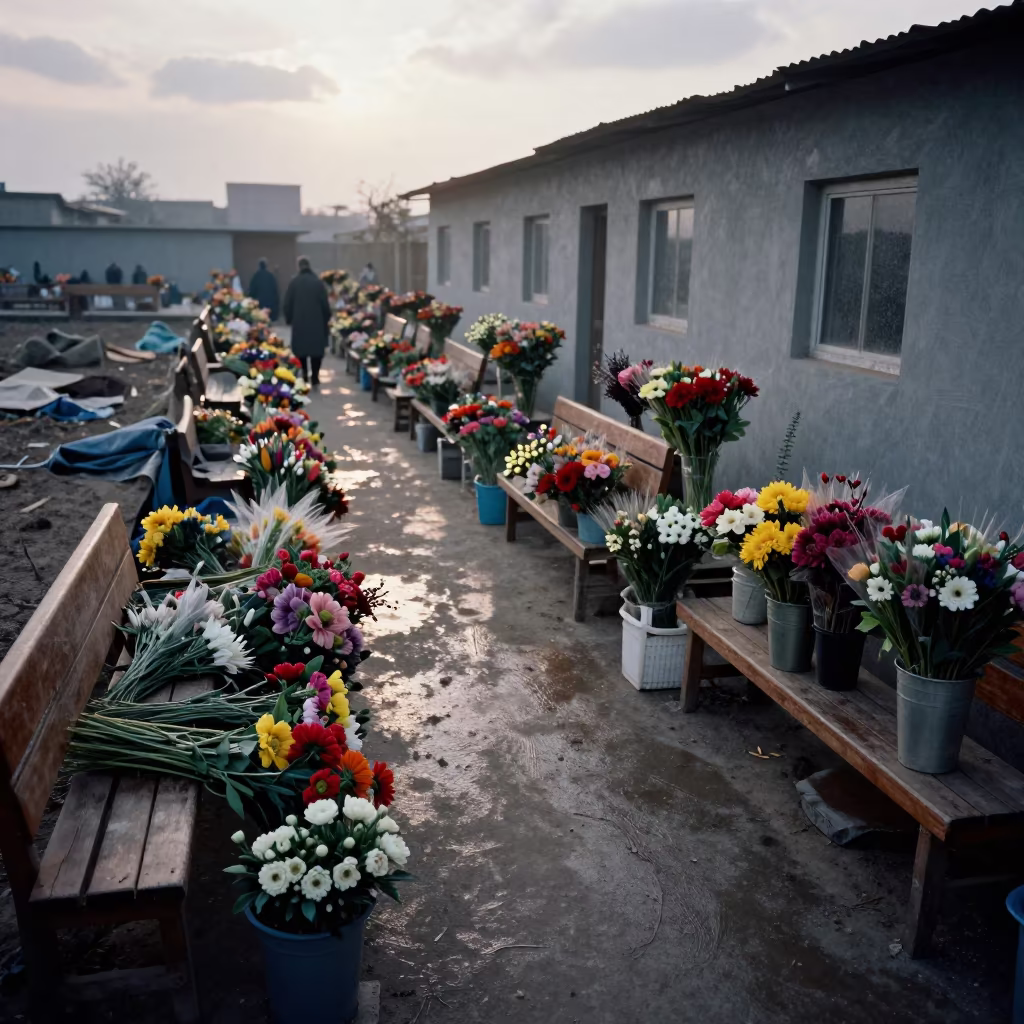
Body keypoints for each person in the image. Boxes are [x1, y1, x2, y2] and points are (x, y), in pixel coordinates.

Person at [283, 256, 330, 387]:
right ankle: (315, 375)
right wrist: (326, 319)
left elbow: (287, 304)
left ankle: (304, 373)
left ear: (299, 267)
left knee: (301, 350)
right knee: (316, 351)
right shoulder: (318, 283)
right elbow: (325, 305)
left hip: (300, 322)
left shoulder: (294, 283)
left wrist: (289, 319)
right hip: (317, 322)